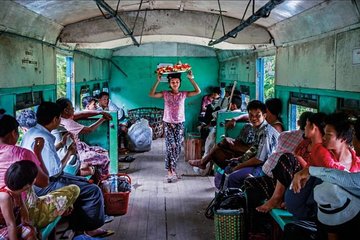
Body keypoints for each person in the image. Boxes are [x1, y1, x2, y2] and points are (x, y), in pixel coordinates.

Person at [20, 102, 113, 237]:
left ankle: (79, 227)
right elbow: (55, 172)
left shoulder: (33, 132)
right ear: (55, 119)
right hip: (45, 185)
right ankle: (91, 228)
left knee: (84, 182)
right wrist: (69, 152)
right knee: (93, 191)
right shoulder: (44, 137)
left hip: (36, 182)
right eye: (59, 118)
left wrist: (62, 144)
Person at [0, 112, 80, 230]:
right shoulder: (22, 153)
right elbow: (44, 182)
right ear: (13, 133)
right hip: (24, 212)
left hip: (3, 212)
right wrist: (37, 152)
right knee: (74, 189)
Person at [290, 116, 360, 240]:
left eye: (328, 134)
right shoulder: (320, 149)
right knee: (329, 184)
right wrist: (309, 171)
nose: (323, 138)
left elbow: (348, 179)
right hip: (306, 202)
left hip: (338, 211)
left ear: (343, 138)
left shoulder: (356, 161)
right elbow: (332, 170)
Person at [244, 111, 313, 209]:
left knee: (287, 157)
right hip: (276, 177)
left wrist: (297, 157)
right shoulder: (303, 143)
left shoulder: (284, 135)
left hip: (277, 177)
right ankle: (259, 221)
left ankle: (276, 199)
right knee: (249, 182)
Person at [149, 70, 201, 182]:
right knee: (169, 146)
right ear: (169, 83)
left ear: (180, 83)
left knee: (177, 147)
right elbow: (151, 94)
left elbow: (198, 91)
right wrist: (157, 81)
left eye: (177, 82)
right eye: (172, 82)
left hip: (180, 123)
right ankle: (170, 171)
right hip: (168, 123)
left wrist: (191, 78)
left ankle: (173, 168)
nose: (175, 84)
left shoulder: (184, 94)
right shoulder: (165, 93)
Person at [56, 97, 112, 176]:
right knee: (104, 157)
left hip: (78, 146)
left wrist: (100, 113)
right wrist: (103, 119)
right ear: (66, 110)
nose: (73, 109)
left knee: (102, 151)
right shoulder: (67, 122)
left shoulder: (63, 117)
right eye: (72, 107)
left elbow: (83, 114)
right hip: (75, 150)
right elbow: (89, 129)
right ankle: (104, 176)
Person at [0, 161, 38, 240]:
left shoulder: (17, 191)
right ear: (27, 184)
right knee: (29, 232)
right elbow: (10, 224)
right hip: (3, 228)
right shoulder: (5, 196)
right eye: (35, 178)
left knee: (30, 231)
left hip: (10, 226)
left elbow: (25, 215)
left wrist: (28, 225)